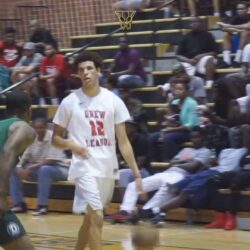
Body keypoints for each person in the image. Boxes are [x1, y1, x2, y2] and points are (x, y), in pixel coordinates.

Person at [51, 51, 143, 250]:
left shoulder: (113, 100)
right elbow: (55, 138)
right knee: (98, 216)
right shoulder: (70, 102)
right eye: (81, 70)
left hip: (106, 167)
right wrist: (71, 145)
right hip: (83, 167)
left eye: (90, 68)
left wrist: (136, 173)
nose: (86, 72)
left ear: (98, 71)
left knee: (90, 218)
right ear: (77, 74)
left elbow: (124, 141)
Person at [150, 126, 249, 227]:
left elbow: (245, 133)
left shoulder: (245, 151)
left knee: (185, 193)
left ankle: (158, 211)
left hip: (221, 175)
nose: (236, 138)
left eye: (239, 135)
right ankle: (159, 211)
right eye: (234, 135)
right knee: (175, 187)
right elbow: (219, 164)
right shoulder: (225, 151)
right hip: (209, 171)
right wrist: (212, 164)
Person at [110, 126, 211, 222]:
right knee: (133, 185)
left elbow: (192, 167)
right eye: (192, 137)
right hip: (167, 172)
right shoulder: (186, 149)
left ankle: (145, 212)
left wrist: (180, 163)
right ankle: (125, 211)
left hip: (182, 176)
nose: (194, 139)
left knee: (165, 187)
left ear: (203, 137)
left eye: (197, 137)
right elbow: (171, 163)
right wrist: (187, 162)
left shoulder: (206, 152)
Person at [10, 118, 69, 216]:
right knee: (14, 170)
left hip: (60, 169)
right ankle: (18, 204)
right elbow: (25, 156)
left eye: (41, 128)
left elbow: (51, 160)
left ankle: (42, 206)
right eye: (36, 128)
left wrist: (31, 167)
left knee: (44, 170)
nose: (38, 130)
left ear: (46, 127)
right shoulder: (32, 138)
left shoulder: (53, 137)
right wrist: (20, 167)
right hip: (39, 169)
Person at [0, 90, 36, 249]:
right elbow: (9, 151)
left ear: (6, 111)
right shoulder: (24, 127)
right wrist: (1, 194)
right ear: (29, 111)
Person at [150, 77, 200, 161]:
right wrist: (169, 121)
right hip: (176, 129)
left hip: (189, 132)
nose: (177, 91)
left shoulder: (192, 103)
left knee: (169, 138)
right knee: (152, 137)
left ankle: (170, 161)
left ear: (187, 91)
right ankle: (154, 161)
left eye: (180, 89)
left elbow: (190, 125)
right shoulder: (174, 102)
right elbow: (173, 121)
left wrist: (170, 129)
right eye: (176, 89)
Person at [176, 17, 218, 88]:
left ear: (200, 23)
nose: (193, 24)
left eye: (195, 22)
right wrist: (189, 60)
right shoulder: (185, 37)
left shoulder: (208, 35)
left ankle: (209, 84)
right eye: (191, 22)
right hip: (190, 61)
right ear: (189, 25)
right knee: (178, 68)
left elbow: (214, 52)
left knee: (210, 59)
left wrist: (201, 56)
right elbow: (178, 55)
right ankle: (169, 87)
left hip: (203, 59)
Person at [118, 118, 151, 189]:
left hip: (142, 171)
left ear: (135, 127)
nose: (124, 127)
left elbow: (139, 165)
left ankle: (124, 197)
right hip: (126, 169)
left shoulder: (142, 140)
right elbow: (117, 160)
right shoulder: (120, 140)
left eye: (127, 125)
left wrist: (122, 164)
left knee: (121, 174)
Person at [220, 2, 250, 67]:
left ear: (247, 9)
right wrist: (239, 30)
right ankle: (226, 61)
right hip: (239, 40)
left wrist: (231, 27)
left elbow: (248, 26)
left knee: (244, 33)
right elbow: (224, 28)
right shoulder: (236, 17)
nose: (240, 10)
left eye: (242, 9)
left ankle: (238, 59)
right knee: (227, 36)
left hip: (248, 42)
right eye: (238, 9)